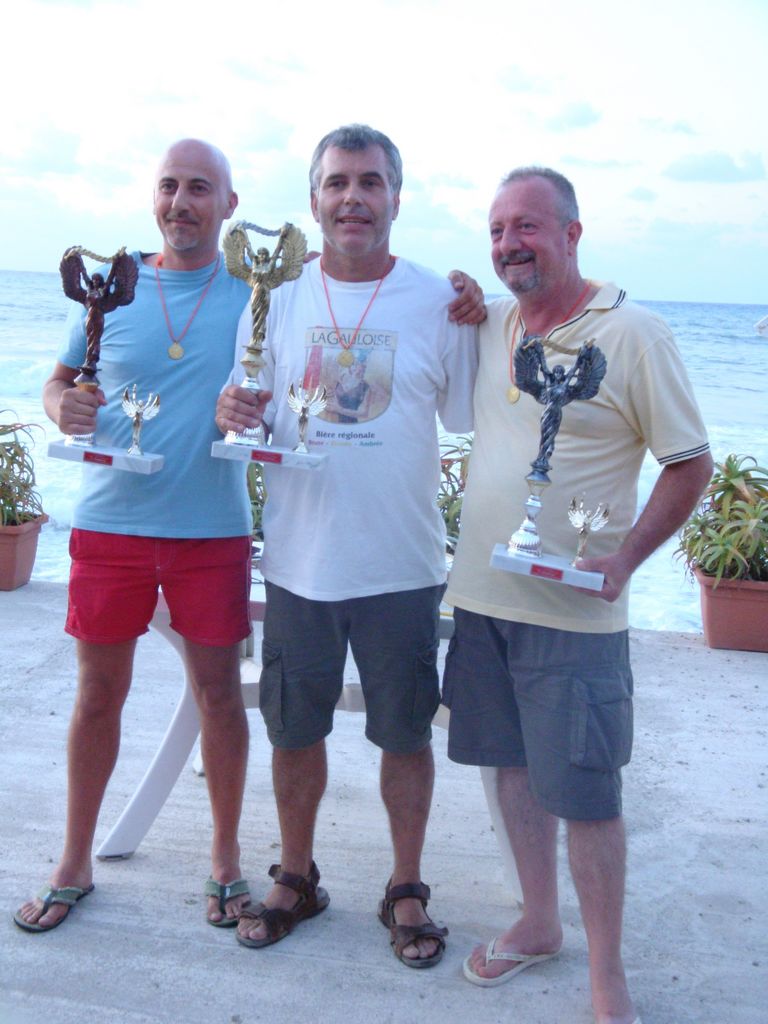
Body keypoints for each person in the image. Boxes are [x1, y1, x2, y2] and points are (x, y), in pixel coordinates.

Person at [441, 167, 712, 1023]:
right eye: (496, 231)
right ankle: (538, 920)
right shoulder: (492, 323)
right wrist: (457, 292)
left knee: (589, 793)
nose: (508, 244)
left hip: (574, 613)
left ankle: (607, 976)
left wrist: (625, 560)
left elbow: (690, 463)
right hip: (484, 598)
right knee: (511, 770)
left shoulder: (634, 333)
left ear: (572, 233)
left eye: (527, 226)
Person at [215, 124, 481, 967]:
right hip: (301, 564)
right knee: (295, 731)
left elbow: (475, 414)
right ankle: (296, 876)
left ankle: (406, 886)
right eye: (337, 183)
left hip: (401, 565)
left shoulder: (438, 301)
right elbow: (248, 404)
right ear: (314, 200)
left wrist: (491, 311)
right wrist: (232, 410)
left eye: (370, 182)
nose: (353, 198)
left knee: (405, 735)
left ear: (396, 197)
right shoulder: (277, 295)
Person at [14, 139, 255, 933]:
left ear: (229, 205)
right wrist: (65, 407)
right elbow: (58, 381)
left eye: (200, 188)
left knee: (219, 695)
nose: (180, 203)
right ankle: (74, 860)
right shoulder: (109, 290)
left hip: (211, 530)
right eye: (169, 186)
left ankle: (225, 859)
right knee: (98, 695)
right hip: (110, 524)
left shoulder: (256, 296)